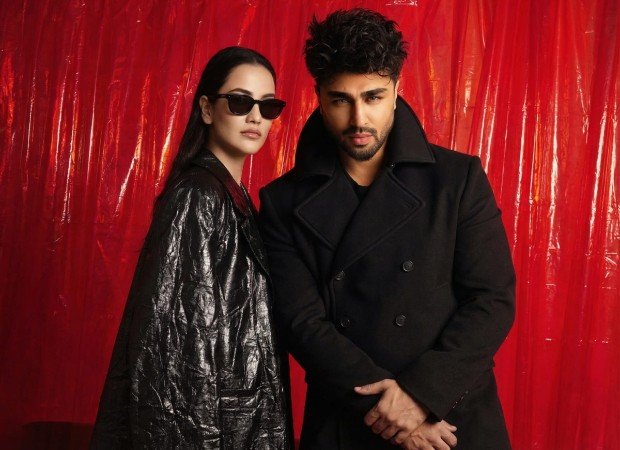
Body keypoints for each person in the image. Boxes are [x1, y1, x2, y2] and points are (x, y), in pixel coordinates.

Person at [259, 9, 515, 450]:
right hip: (347, 418)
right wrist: (391, 415)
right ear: (318, 96)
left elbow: (492, 300)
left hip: (449, 419)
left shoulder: (458, 180)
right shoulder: (284, 201)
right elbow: (302, 323)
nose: (358, 119)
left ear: (397, 91)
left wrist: (419, 398)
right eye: (340, 100)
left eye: (373, 97)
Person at [91, 46, 292, 449]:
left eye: (268, 106)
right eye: (240, 102)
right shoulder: (198, 196)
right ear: (206, 108)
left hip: (239, 424)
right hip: (210, 433)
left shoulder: (232, 197)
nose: (256, 117)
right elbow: (176, 353)